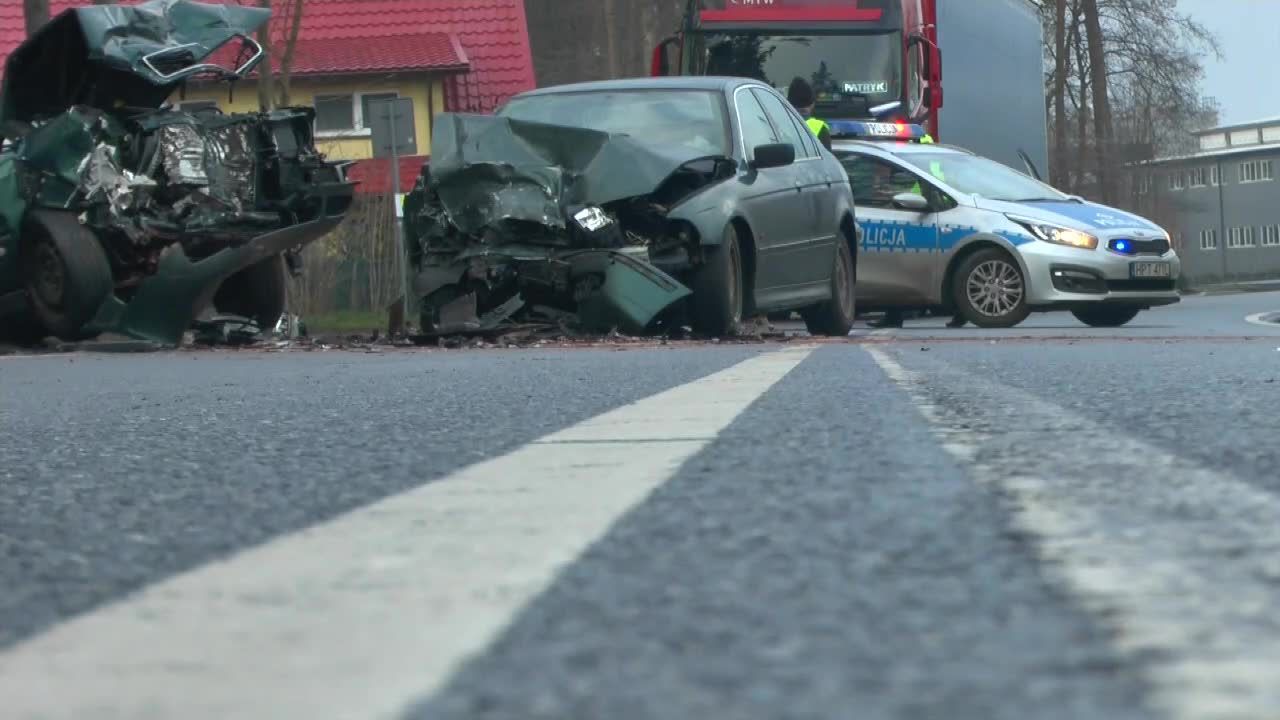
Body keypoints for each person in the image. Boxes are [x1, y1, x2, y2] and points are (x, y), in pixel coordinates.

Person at [786, 78, 832, 151]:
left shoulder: (777, 125)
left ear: (788, 103)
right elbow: (828, 160)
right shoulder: (820, 128)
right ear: (812, 104)